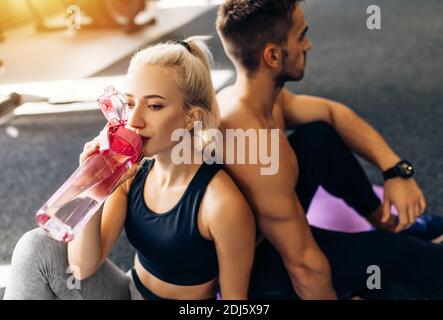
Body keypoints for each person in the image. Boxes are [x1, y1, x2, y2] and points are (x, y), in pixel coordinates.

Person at [215, 0, 443, 299]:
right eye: (301, 36)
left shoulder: (258, 96)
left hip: (271, 215)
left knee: (318, 136)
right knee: (395, 254)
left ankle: (383, 221)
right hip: (258, 265)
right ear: (272, 55)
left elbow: (332, 113)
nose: (309, 45)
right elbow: (302, 263)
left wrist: (395, 171)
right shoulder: (252, 144)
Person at [4, 36, 255, 300]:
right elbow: (81, 267)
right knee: (35, 246)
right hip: (127, 291)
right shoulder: (132, 175)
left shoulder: (221, 203)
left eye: (154, 106)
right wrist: (94, 184)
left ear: (192, 117)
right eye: (131, 103)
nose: (134, 120)